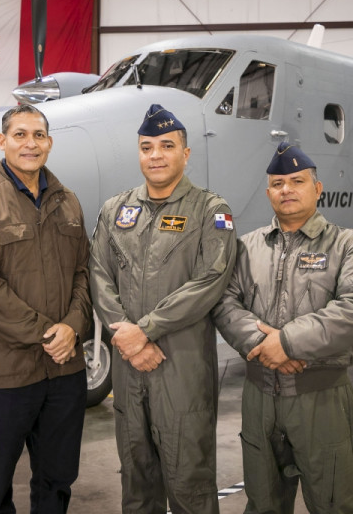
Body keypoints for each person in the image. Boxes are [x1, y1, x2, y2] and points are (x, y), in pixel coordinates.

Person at [213, 141, 353, 514]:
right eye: (277, 183)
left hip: (320, 399)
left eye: (297, 181)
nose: (286, 189)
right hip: (259, 400)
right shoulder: (246, 247)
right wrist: (264, 344)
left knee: (334, 504)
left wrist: (287, 343)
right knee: (263, 504)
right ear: (269, 191)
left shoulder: (347, 245)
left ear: (317, 189)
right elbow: (224, 302)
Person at [89, 103, 237, 514]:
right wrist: (126, 335)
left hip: (182, 369)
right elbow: (98, 274)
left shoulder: (211, 211)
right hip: (128, 364)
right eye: (147, 146)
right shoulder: (115, 210)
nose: (155, 155)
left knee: (189, 483)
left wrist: (145, 330)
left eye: (166, 146)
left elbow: (210, 280)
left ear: (185, 154)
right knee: (136, 483)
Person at [0, 103, 92, 513]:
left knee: (58, 479)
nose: (30, 143)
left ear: (48, 143)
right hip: (4, 374)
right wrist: (50, 334)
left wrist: (73, 327)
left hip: (65, 372)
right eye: (20, 135)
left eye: (38, 135)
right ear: (2, 141)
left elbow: (85, 274)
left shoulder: (69, 202)